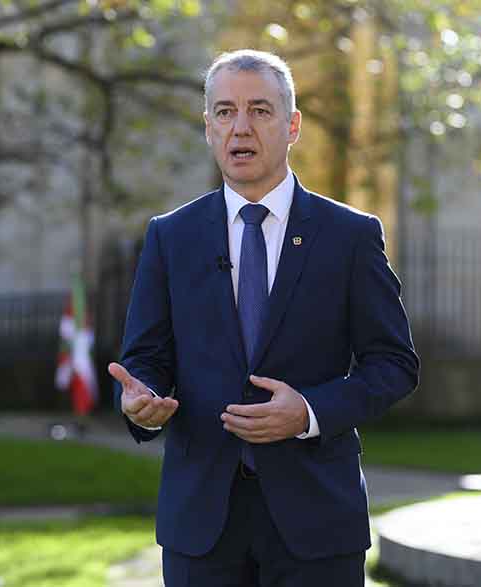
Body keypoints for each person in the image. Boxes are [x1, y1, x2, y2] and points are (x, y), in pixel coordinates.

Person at [108, 49, 419, 587]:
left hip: (317, 522)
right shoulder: (171, 236)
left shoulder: (349, 236)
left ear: (292, 125)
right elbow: (146, 357)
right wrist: (142, 403)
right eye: (225, 112)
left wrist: (310, 411)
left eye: (260, 110)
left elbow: (393, 364)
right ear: (208, 128)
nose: (240, 128)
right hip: (201, 523)